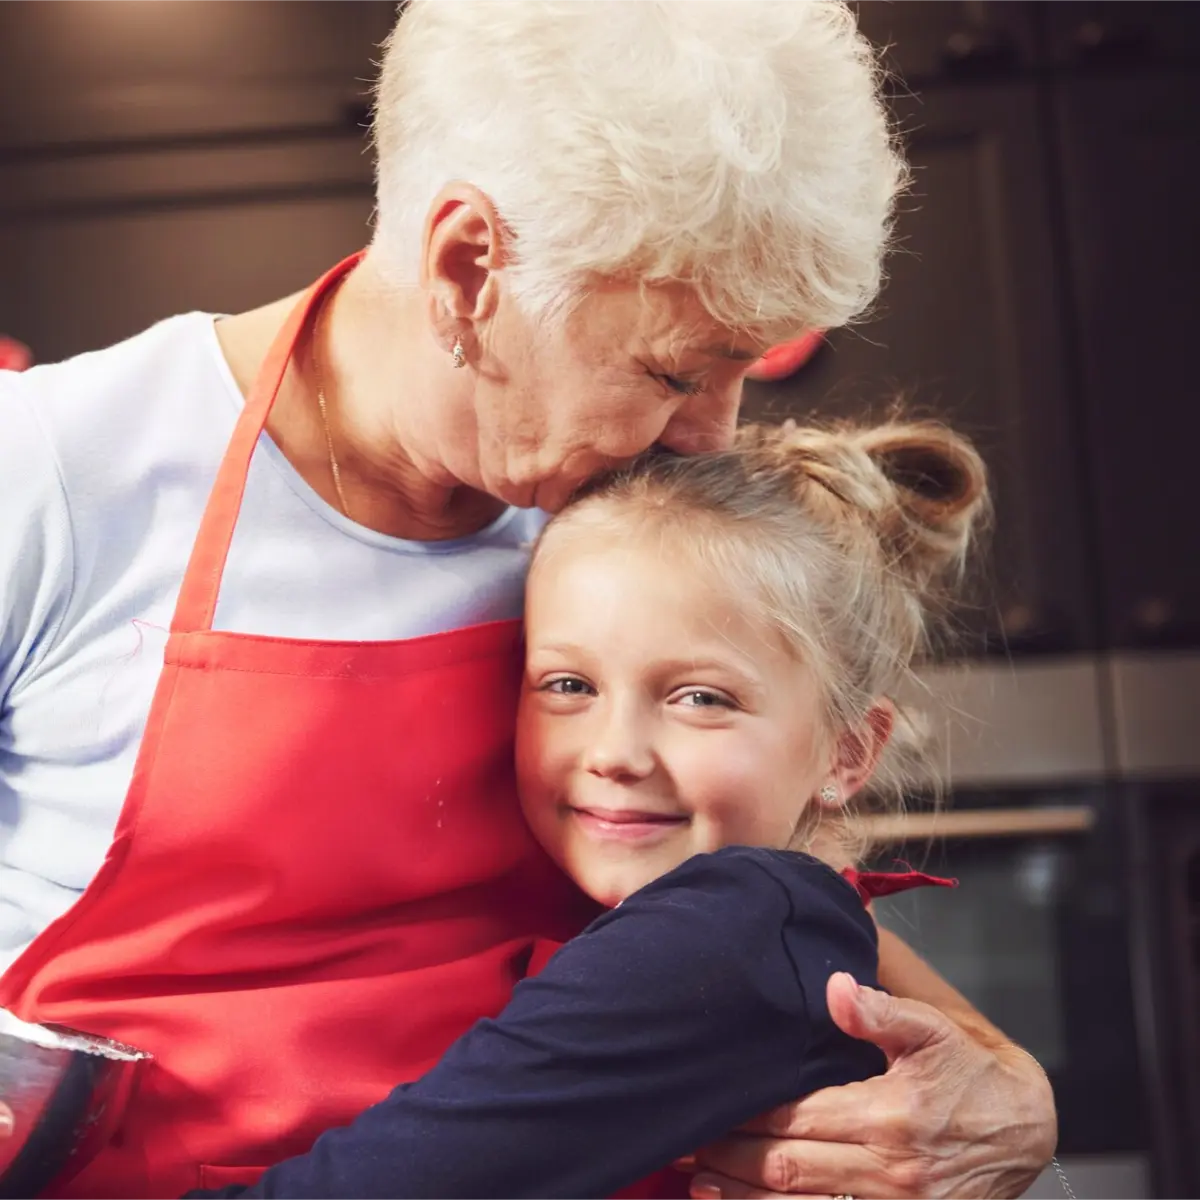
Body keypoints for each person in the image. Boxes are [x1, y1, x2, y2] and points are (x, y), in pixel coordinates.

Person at [0, 2, 1055, 1198]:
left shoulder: (607, 512)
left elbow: (741, 894)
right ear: (468, 267)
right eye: (671, 371)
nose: (710, 434)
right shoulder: (50, 477)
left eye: (736, 374)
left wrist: (1001, 1074)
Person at [182, 416, 985, 1200]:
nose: (615, 753)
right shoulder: (750, 920)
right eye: (570, 686)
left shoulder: (727, 932)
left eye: (701, 698)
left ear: (847, 750)